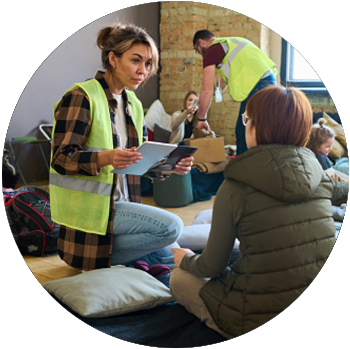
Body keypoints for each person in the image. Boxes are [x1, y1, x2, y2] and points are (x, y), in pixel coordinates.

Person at [170, 86, 348, 338]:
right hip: (316, 307)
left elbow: (211, 266)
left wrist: (186, 258)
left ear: (257, 126)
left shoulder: (235, 184)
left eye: (247, 119)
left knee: (178, 278)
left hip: (257, 320)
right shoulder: (318, 171)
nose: (245, 125)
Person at [50, 23, 193, 271]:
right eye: (136, 60)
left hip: (122, 207)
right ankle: (113, 262)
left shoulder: (133, 104)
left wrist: (170, 166)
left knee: (173, 255)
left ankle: (138, 262)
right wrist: (106, 158)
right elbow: (61, 158)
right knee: (172, 228)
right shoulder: (82, 97)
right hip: (92, 216)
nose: (143, 71)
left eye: (148, 64)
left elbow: (137, 162)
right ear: (113, 59)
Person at [192, 29, 278, 155]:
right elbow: (220, 84)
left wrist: (201, 118)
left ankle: (242, 171)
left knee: (244, 132)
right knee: (258, 132)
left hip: (257, 86)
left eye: (197, 49)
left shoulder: (212, 50)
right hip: (268, 83)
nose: (200, 54)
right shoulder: (230, 44)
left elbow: (206, 89)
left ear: (201, 42)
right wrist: (209, 96)